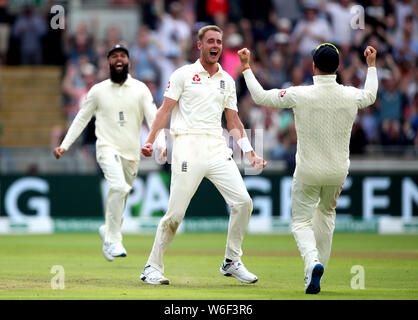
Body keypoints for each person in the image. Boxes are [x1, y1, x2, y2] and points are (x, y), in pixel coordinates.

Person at [238, 43, 378, 294]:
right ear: (338, 67)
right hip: (337, 171)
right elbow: (370, 96)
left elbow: (260, 97)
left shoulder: (299, 94)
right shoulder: (350, 94)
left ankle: (312, 262)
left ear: (313, 67)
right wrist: (371, 66)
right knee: (326, 215)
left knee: (301, 223)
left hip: (307, 171)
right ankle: (314, 272)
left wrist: (247, 67)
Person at [139, 25, 266, 285]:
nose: (215, 45)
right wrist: (151, 140)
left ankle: (232, 261)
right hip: (187, 145)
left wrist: (251, 152)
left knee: (244, 202)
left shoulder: (227, 80)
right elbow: (164, 111)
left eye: (219, 41)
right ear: (199, 45)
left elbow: (233, 122)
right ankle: (152, 266)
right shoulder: (183, 74)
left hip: (217, 147)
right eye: (210, 41)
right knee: (175, 214)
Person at [53, 44, 166, 262]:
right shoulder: (97, 90)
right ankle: (114, 239)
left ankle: (108, 231)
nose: (118, 59)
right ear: (109, 63)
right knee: (118, 186)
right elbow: (81, 119)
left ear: (129, 62)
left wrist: (160, 143)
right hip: (106, 148)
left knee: (121, 196)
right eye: (114, 56)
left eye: (122, 55)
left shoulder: (141, 89)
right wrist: (65, 144)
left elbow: (153, 117)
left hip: (131, 153)